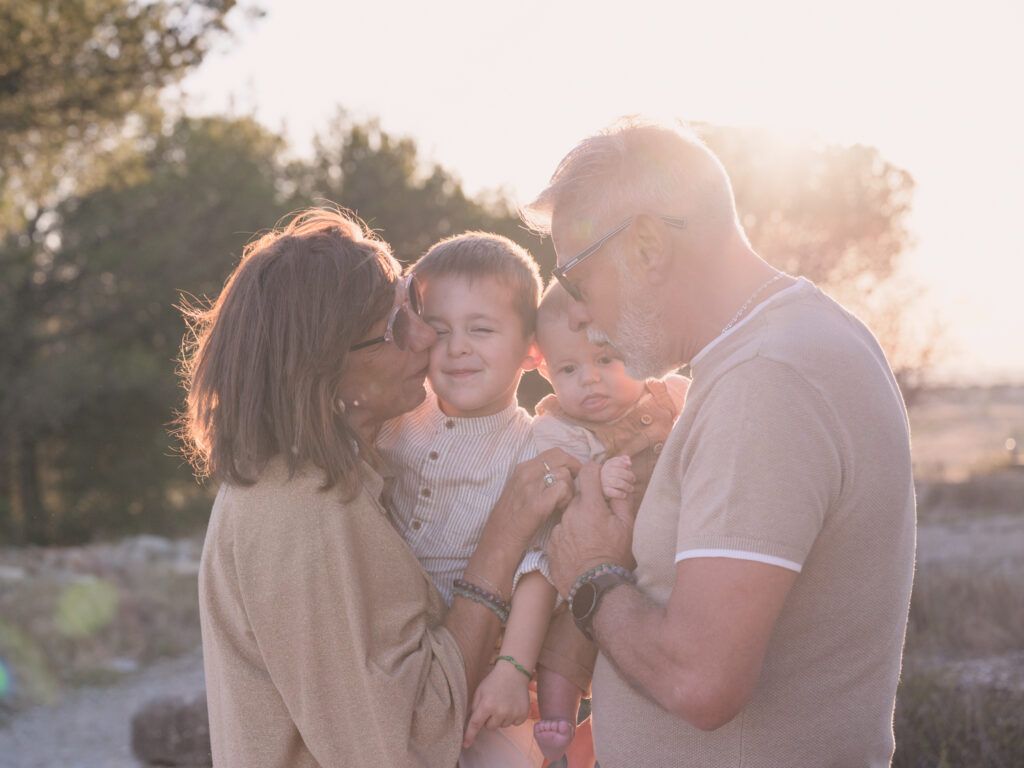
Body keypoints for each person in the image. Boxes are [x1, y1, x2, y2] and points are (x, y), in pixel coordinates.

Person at [526, 118, 916, 767]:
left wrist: (590, 577)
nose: (578, 314)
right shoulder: (810, 337)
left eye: (575, 281)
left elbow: (699, 681)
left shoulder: (766, 384)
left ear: (647, 246)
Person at [178, 207, 578, 768]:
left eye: (408, 302)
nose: (427, 337)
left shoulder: (343, 471)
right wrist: (501, 541)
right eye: (396, 328)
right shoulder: (302, 515)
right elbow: (407, 743)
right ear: (324, 369)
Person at [375, 231, 551, 767]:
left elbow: (539, 570)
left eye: (482, 330)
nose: (458, 348)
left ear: (531, 349)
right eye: (440, 330)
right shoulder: (394, 419)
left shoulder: (534, 447)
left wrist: (514, 670)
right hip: (396, 660)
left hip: (488, 677)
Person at [529, 282, 687, 763]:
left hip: (667, 558)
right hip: (596, 565)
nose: (590, 380)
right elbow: (562, 491)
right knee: (568, 636)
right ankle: (557, 715)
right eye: (569, 369)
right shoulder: (556, 428)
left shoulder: (674, 396)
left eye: (605, 361)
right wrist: (594, 477)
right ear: (543, 368)